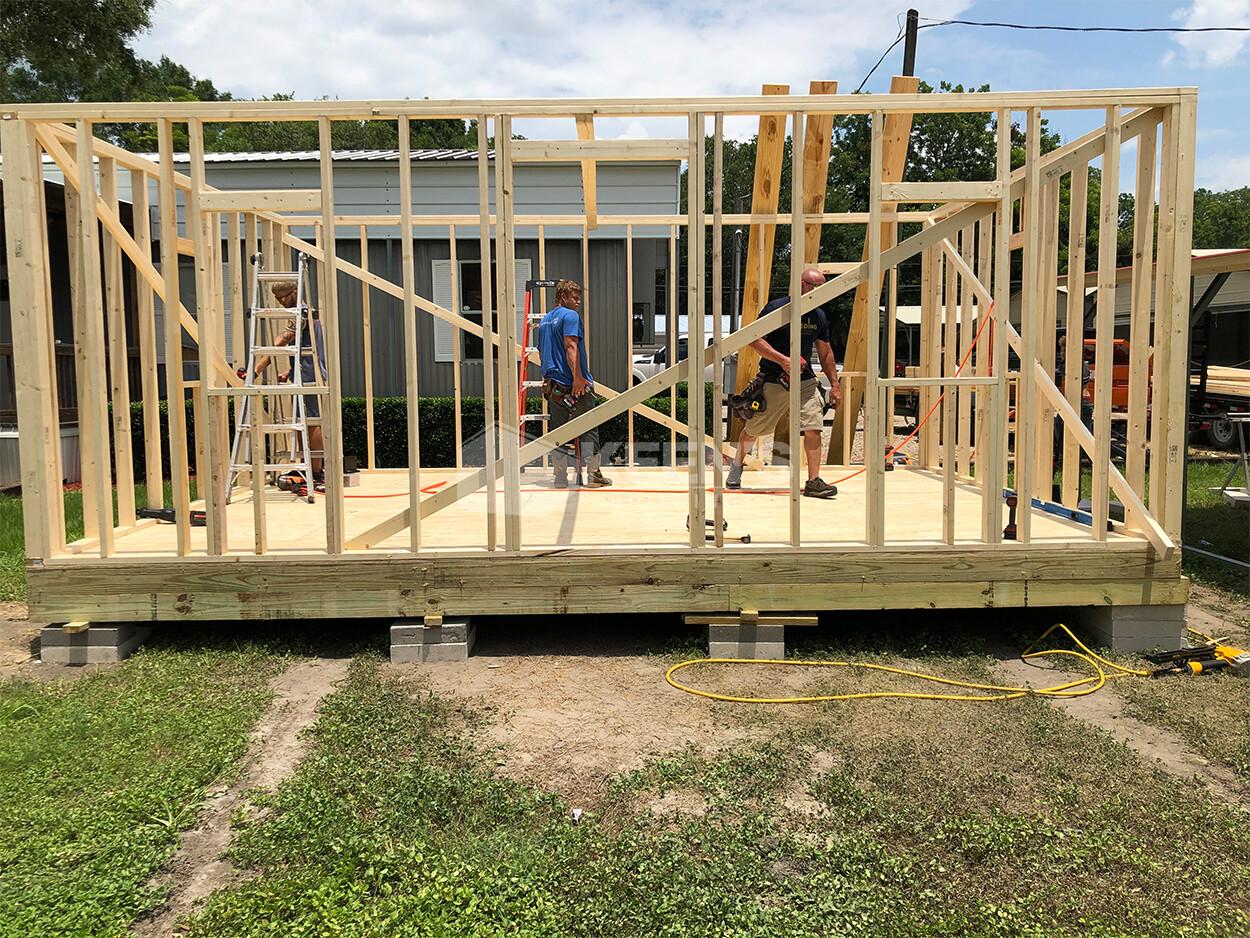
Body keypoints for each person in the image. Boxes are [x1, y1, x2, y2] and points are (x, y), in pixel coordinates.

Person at [726, 267, 842, 498]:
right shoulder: (777, 309)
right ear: (801, 284)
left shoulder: (818, 316)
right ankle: (737, 465)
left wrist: (835, 385)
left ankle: (814, 481)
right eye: (812, 286)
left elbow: (826, 352)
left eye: (821, 287)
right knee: (754, 430)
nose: (817, 291)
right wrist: (783, 360)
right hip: (775, 380)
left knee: (813, 427)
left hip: (805, 382)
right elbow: (754, 339)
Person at [246, 279, 328, 489]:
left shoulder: (301, 313)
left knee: (311, 422)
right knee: (300, 421)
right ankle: (305, 466)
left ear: (294, 291)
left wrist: (256, 369)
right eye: (277, 299)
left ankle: (316, 472)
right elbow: (305, 348)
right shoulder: (301, 313)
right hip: (302, 373)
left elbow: (282, 341)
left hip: (309, 376)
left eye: (283, 297)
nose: (281, 302)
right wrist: (290, 372)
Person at [536, 279, 612, 488]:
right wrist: (578, 378)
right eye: (575, 297)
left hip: (554, 386)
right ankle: (593, 475)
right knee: (588, 427)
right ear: (562, 296)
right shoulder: (570, 316)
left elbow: (542, 352)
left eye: (579, 297)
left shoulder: (545, 321)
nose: (578, 301)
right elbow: (571, 346)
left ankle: (560, 477)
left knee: (558, 431)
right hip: (572, 383)